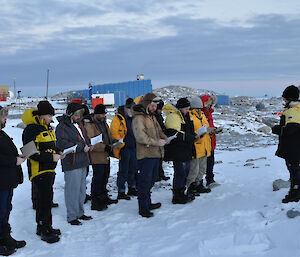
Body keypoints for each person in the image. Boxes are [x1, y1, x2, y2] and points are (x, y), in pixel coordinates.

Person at [22, 101, 63, 243]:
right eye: (49, 115)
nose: (51, 118)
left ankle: (45, 226)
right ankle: (44, 229)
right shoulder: (30, 130)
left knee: (46, 200)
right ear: (42, 115)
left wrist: (58, 151)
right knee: (43, 202)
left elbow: (51, 145)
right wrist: (52, 156)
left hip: (49, 169)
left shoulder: (47, 128)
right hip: (39, 171)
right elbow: (29, 152)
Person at [55, 103, 93, 225]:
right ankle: (72, 216)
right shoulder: (62, 126)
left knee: (82, 190)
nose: (79, 117)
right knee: (72, 190)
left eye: (80, 114)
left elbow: (84, 139)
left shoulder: (80, 125)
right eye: (77, 114)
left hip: (83, 161)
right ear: (70, 114)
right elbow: (61, 144)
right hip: (72, 163)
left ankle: (79, 213)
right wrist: (82, 146)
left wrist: (89, 144)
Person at [132, 93, 168, 218]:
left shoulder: (152, 117)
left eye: (155, 106)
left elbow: (159, 132)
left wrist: (166, 138)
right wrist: (156, 142)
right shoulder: (139, 118)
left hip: (155, 154)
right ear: (146, 104)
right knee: (144, 181)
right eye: (152, 105)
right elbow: (141, 137)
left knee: (151, 180)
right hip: (146, 155)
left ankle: (148, 202)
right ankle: (143, 207)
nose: (154, 108)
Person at [0, 106, 26, 256]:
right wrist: (13, 160)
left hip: (7, 181)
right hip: (1, 182)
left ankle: (5, 237)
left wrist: (19, 156)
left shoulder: (2, 133)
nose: (5, 120)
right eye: (3, 117)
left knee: (5, 210)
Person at [84, 104, 118, 211]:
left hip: (105, 155)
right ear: (96, 114)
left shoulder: (104, 123)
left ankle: (103, 197)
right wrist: (105, 147)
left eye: (104, 114)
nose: (103, 116)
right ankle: (96, 201)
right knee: (98, 179)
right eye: (101, 114)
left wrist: (115, 142)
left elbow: (108, 136)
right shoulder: (90, 125)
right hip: (97, 156)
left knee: (105, 177)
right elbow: (92, 142)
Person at [164, 98, 196, 204]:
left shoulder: (184, 116)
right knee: (180, 174)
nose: (188, 110)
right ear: (181, 107)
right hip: (178, 151)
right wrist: (188, 137)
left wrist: (192, 136)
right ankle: (177, 196)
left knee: (184, 173)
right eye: (186, 108)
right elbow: (173, 133)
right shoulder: (173, 116)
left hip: (185, 150)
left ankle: (182, 193)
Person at [272, 85, 300, 203]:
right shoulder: (293, 109)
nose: (283, 100)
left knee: (294, 169)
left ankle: (295, 192)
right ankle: (295, 188)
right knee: (294, 168)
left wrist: (275, 129)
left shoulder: (293, 110)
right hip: (293, 145)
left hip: (293, 146)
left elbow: (292, 129)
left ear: (289, 98)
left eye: (285, 98)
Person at [111, 98, 138, 200]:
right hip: (124, 148)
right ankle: (121, 191)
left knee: (133, 169)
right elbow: (114, 134)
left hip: (134, 147)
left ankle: (132, 187)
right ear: (126, 109)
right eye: (131, 109)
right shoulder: (117, 119)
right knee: (123, 170)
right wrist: (121, 144)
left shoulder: (133, 118)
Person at [186, 96, 212, 198]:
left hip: (205, 146)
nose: (198, 110)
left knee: (202, 169)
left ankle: (198, 185)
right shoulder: (189, 116)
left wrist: (212, 131)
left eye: (199, 108)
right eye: (196, 108)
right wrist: (198, 133)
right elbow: (191, 131)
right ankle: (190, 188)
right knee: (194, 170)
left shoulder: (202, 115)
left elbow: (206, 126)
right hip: (196, 146)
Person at [201, 95, 219, 187]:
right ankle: (199, 182)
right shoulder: (201, 114)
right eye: (207, 104)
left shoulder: (209, 113)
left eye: (210, 104)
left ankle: (210, 179)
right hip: (203, 142)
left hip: (211, 140)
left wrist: (214, 129)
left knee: (211, 161)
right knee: (203, 163)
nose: (209, 106)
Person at [154, 100, 170, 181]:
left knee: (160, 158)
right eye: (159, 109)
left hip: (160, 139)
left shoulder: (159, 115)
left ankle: (160, 173)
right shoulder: (154, 116)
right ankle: (156, 175)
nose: (160, 110)